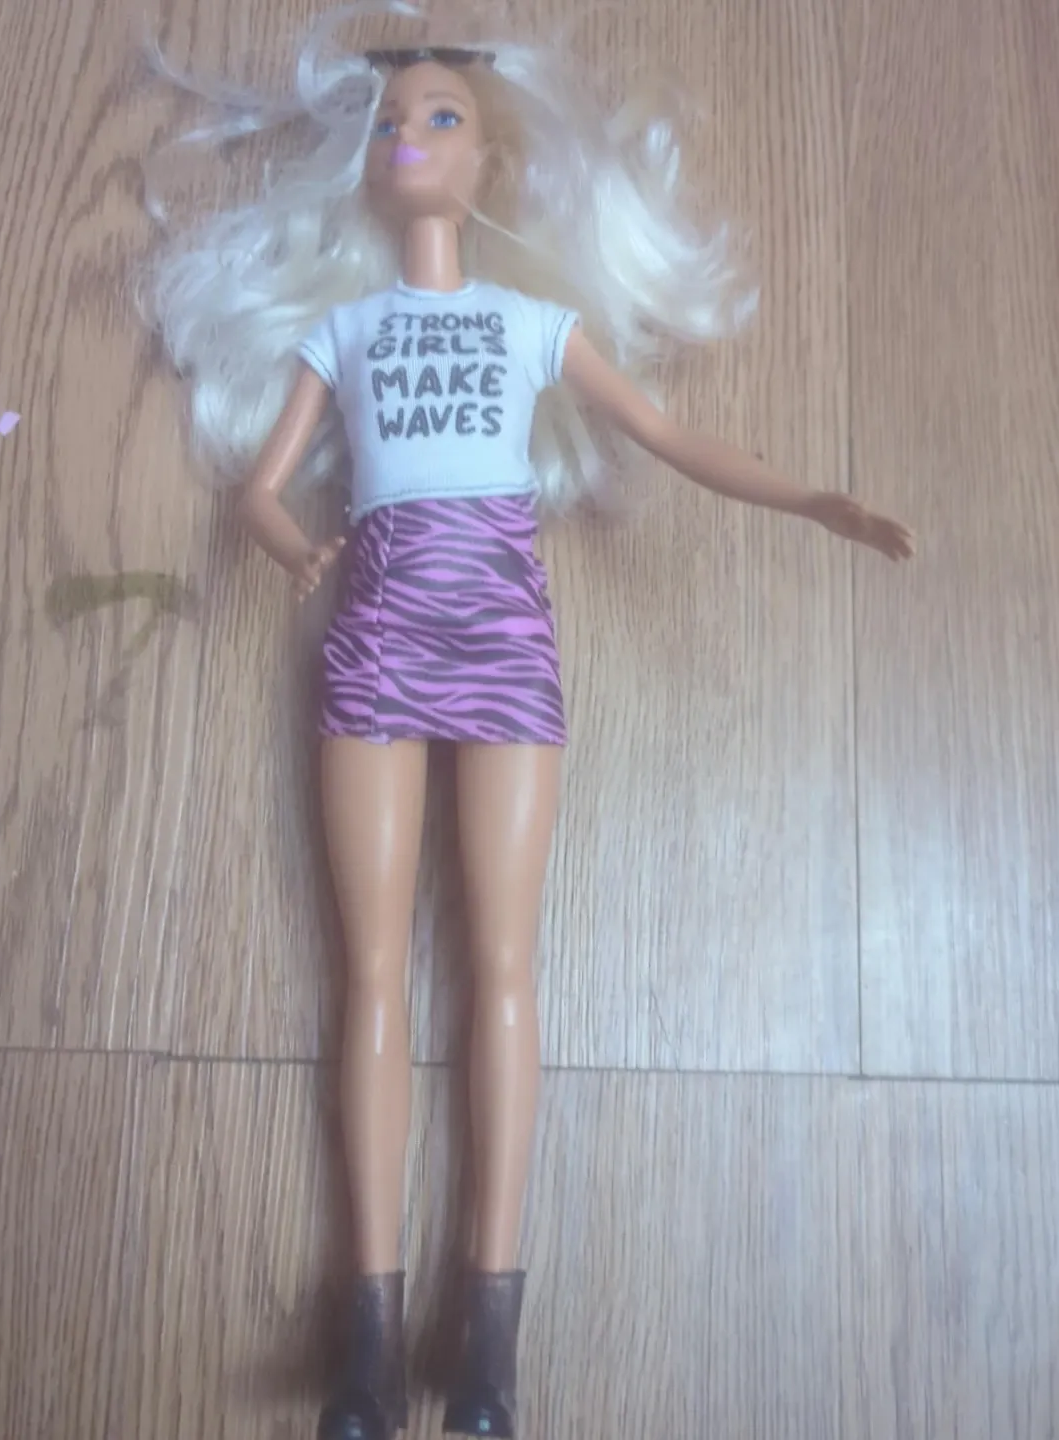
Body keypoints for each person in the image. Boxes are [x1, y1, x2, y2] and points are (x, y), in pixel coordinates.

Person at [144, 18, 914, 1440]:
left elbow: (665, 433)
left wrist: (812, 497)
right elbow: (257, 487)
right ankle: (368, 1345)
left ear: (490, 159)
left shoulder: (526, 326)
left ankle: (491, 1344)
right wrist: (282, 539)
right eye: (390, 125)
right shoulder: (344, 331)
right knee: (369, 973)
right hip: (375, 638)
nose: (408, 141)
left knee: (504, 963)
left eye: (439, 118)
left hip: (502, 641)